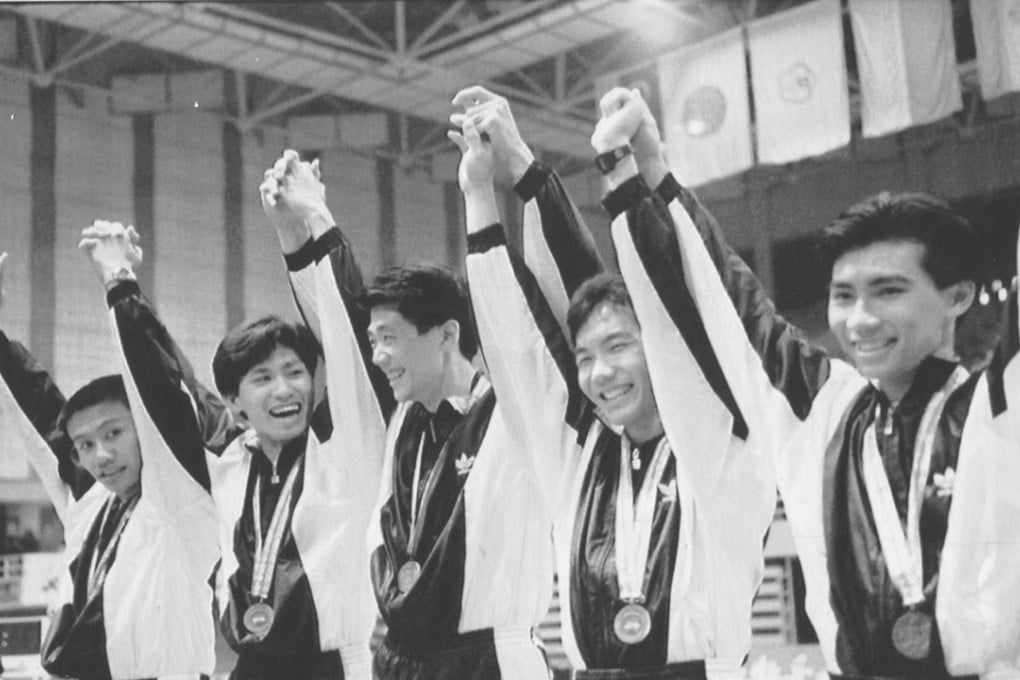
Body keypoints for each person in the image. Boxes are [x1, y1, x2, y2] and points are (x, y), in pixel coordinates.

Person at [597, 90, 1020, 678]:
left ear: (960, 297)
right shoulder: (825, 408)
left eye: (889, 291)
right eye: (844, 296)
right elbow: (730, 300)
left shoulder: (999, 408)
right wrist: (651, 173)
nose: (860, 319)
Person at [450, 86, 775, 678]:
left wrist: (625, 176)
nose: (599, 374)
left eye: (620, 347)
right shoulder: (582, 456)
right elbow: (519, 346)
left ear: (662, 348)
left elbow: (682, 302)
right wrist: (481, 194)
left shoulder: (719, 442)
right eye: (585, 357)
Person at [260, 150, 556, 680]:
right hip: (397, 660)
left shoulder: (514, 415)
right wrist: (303, 226)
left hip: (488, 661)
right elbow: (344, 331)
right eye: (375, 341)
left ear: (447, 335)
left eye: (390, 339)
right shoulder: (397, 422)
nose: (377, 356)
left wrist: (479, 194)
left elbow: (510, 320)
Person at [0, 233, 223, 680]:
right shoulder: (91, 503)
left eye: (114, 433)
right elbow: (39, 408)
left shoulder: (180, 500)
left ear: (143, 431)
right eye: (84, 445)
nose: (100, 455)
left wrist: (120, 286)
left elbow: (161, 392)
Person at [204, 158, 388, 680]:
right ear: (235, 404)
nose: (285, 389)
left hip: (340, 665)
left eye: (294, 372)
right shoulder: (227, 463)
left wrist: (300, 230)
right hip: (250, 668)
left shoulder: (343, 445)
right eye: (263, 379)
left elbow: (347, 334)